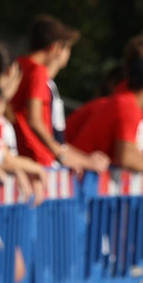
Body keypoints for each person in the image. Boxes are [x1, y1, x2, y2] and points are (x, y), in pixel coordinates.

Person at [64, 57, 143, 191]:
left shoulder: (127, 103)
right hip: (80, 182)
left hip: (83, 181)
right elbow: (126, 157)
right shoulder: (128, 106)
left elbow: (133, 152)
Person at [13, 15, 106, 174]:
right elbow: (35, 121)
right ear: (55, 47)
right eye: (67, 47)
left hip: (21, 156)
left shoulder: (18, 65)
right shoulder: (38, 71)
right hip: (38, 159)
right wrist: (60, 155)